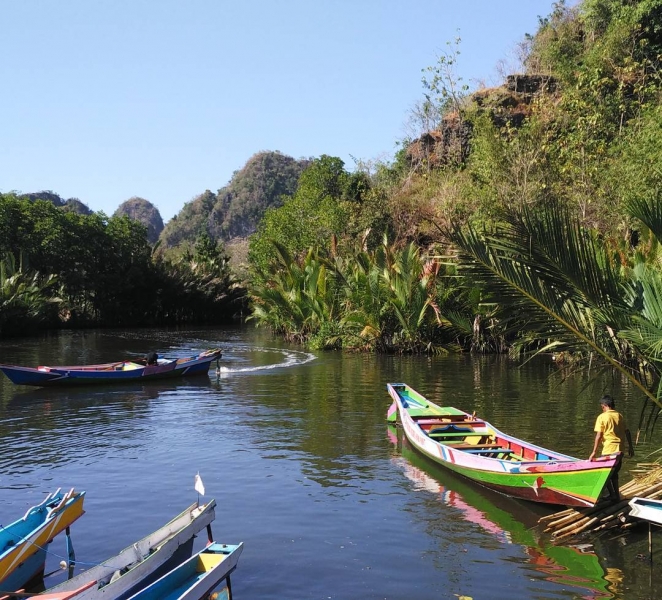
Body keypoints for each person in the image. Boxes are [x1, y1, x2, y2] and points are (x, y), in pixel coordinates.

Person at [589, 394, 634, 502]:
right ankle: (616, 495)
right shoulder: (619, 415)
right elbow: (627, 431)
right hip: (620, 450)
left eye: (602, 406)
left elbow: (599, 435)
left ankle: (613, 495)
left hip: (609, 450)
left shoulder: (602, 417)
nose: (602, 408)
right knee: (614, 473)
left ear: (604, 405)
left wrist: (594, 452)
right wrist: (631, 447)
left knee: (604, 473)